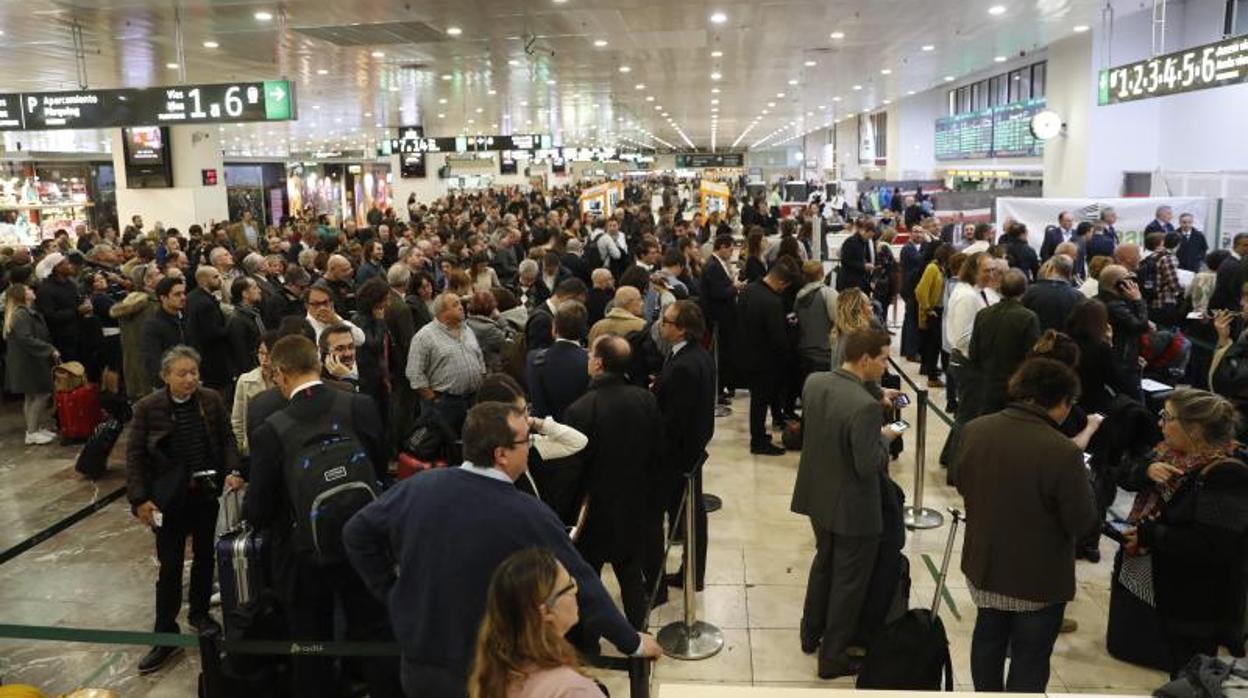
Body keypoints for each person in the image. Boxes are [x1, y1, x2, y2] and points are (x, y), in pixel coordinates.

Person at [343, 401, 662, 696]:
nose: (531, 446)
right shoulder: (528, 514)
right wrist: (631, 642)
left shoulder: (419, 486)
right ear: (501, 454)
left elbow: (356, 532)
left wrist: (392, 592)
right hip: (487, 672)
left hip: (419, 664)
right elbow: (581, 582)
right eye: (525, 440)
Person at [242, 335, 402, 697]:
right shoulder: (358, 405)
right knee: (375, 632)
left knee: (310, 644)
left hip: (302, 556)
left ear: (280, 374)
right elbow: (379, 469)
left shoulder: (271, 428)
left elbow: (259, 510)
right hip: (362, 544)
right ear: (318, 362)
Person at [956, 357, 1097, 691]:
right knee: (1030, 657)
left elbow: (962, 482)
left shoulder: (976, 429)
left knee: (987, 641)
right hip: (1038, 577)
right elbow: (1082, 521)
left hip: (985, 565)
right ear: (1061, 402)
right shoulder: (1063, 452)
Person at [792, 328, 903, 679]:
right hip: (854, 506)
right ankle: (834, 656)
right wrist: (885, 438)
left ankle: (810, 633)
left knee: (824, 563)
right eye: (884, 358)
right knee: (849, 581)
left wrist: (876, 391)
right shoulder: (866, 409)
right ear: (866, 359)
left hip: (817, 494)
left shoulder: (815, 382)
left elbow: (842, 400)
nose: (887, 365)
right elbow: (868, 465)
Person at [1114, 388, 1248, 674]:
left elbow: (1213, 544)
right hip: (1170, 586)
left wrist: (1151, 535)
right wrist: (1147, 470)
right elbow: (1124, 473)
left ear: (1195, 429)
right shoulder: (1167, 451)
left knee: (1190, 675)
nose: (1160, 423)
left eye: (1168, 417)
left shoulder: (1227, 474)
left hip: (1197, 602)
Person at [126, 346, 242, 674]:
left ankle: (200, 612)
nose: (190, 379)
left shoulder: (211, 400)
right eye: (182, 373)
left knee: (206, 556)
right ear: (165, 376)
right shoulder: (148, 408)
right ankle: (165, 634)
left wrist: (232, 470)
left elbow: (227, 439)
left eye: (194, 372)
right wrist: (139, 499)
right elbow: (134, 455)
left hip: (204, 495)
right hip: (169, 498)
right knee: (170, 566)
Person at [561, 335, 663, 650]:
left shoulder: (580, 409)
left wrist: (565, 513)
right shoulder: (645, 399)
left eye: (591, 354)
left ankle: (587, 643)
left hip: (594, 511)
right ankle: (638, 637)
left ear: (599, 363)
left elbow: (572, 471)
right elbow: (657, 452)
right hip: (634, 504)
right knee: (631, 576)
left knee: (588, 581)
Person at [468, 548, 607, 698]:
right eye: (569, 585)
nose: (576, 590)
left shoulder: (493, 677)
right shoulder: (573, 691)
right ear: (547, 612)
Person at [652, 300, 716, 595]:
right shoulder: (694, 355)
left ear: (681, 330)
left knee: (686, 515)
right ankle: (692, 570)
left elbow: (675, 421)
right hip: (690, 450)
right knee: (693, 513)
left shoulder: (685, 366)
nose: (661, 324)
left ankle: (690, 573)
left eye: (666, 321)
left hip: (678, 456)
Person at [736, 256, 801, 455]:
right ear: (781, 281)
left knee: (758, 399)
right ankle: (758, 442)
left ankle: (759, 435)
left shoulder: (748, 290)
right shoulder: (772, 302)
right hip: (766, 360)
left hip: (747, 353)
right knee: (760, 401)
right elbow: (778, 338)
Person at [407, 292, 486, 435]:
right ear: (442, 312)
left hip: (473, 400)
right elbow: (414, 374)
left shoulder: (467, 330)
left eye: (460, 303)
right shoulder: (424, 337)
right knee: (450, 447)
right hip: (445, 403)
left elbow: (479, 356)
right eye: (455, 305)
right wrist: (434, 400)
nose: (461, 307)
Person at [968, 269, 1041, 416]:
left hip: (986, 384)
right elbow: (1032, 358)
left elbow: (973, 353)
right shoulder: (1028, 318)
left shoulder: (983, 314)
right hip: (1014, 388)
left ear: (1000, 288)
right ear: (1024, 290)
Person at [4, 284, 59, 444]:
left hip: (28, 360)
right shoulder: (21, 314)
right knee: (42, 394)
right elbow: (26, 338)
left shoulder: (23, 313)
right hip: (29, 361)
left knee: (31, 397)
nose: (32, 291)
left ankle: (34, 428)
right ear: (21, 295)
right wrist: (49, 349)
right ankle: (32, 431)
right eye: (28, 290)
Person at [527, 301, 590, 423]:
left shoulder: (533, 359)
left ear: (554, 327)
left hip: (544, 432)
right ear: (584, 330)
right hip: (578, 431)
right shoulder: (589, 362)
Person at [1096, 264, 1149, 400]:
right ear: (1119, 284)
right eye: (1127, 279)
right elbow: (1140, 326)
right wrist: (1138, 300)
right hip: (1123, 366)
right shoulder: (1115, 305)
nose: (1132, 283)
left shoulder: (1097, 300)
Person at [112, 264, 163, 399]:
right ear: (147, 280)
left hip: (134, 365)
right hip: (149, 366)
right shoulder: (149, 305)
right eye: (158, 274)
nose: (163, 276)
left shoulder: (131, 303)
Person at [701, 234, 740, 404]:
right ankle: (718, 391)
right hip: (718, 318)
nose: (731, 253)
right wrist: (735, 288)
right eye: (730, 249)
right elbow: (717, 293)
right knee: (719, 355)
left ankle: (722, 388)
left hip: (724, 317)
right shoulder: (713, 266)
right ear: (722, 247)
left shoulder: (717, 264)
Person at [231, 329, 278, 462]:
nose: (265, 359)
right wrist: (241, 449)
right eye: (261, 353)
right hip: (254, 447)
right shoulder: (245, 380)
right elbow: (238, 419)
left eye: (270, 354)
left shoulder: (287, 380)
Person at [184, 266, 231, 390]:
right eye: (215, 277)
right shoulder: (205, 303)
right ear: (204, 281)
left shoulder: (191, 296)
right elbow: (212, 332)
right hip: (212, 358)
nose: (219, 279)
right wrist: (230, 328)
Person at [140, 277, 188, 390]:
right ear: (163, 298)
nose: (183, 298)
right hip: (168, 385)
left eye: (183, 293)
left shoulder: (185, 317)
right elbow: (153, 360)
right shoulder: (153, 325)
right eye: (177, 294)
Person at [795, 260, 838, 379]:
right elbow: (839, 320)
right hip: (825, 353)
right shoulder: (828, 293)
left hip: (804, 351)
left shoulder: (799, 296)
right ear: (821, 273)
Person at [915, 243, 950, 387]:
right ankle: (932, 377)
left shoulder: (942, 269)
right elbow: (920, 290)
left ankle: (933, 375)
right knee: (933, 346)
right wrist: (928, 309)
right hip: (933, 311)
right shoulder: (932, 268)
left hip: (940, 310)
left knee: (935, 346)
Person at [1022, 255, 1083, 332]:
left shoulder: (1029, 292)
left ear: (1050, 268)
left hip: (1036, 341)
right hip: (1066, 342)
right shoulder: (1079, 297)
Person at [226, 276, 265, 380]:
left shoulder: (254, 313)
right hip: (251, 374)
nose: (259, 291)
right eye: (255, 288)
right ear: (245, 294)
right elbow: (241, 354)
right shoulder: (237, 320)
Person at [837, 219, 875, 294]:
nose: (869, 239)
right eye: (869, 236)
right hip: (849, 282)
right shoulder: (851, 242)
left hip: (860, 281)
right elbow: (845, 261)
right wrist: (863, 266)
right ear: (863, 231)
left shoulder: (864, 242)